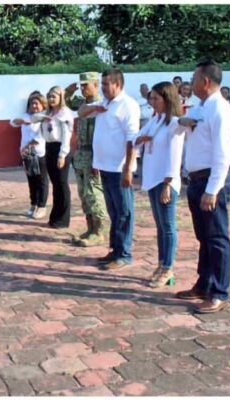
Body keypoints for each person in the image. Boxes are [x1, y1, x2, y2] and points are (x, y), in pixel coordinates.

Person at [175, 60, 230, 314]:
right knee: (204, 237)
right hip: (197, 179)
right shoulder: (202, 107)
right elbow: (184, 121)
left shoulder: (220, 109)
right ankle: (204, 283)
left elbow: (223, 153)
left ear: (206, 81)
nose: (191, 82)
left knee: (217, 238)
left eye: (195, 77)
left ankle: (219, 292)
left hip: (211, 179)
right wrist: (185, 121)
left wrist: (213, 189)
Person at [78, 68, 140, 270]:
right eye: (102, 84)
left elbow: (132, 140)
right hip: (104, 166)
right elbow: (80, 112)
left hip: (119, 168)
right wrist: (94, 109)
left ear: (118, 84)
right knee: (114, 212)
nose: (103, 88)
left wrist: (128, 169)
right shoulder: (105, 103)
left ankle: (124, 254)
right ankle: (114, 250)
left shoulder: (127, 105)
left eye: (106, 85)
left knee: (124, 212)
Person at [133, 82, 188, 288]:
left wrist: (168, 182)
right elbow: (135, 139)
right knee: (160, 226)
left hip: (166, 181)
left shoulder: (173, 123)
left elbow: (175, 156)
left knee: (168, 226)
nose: (152, 102)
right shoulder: (155, 120)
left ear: (167, 99)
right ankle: (161, 264)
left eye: (156, 98)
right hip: (153, 178)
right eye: (151, 98)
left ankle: (168, 266)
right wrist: (141, 138)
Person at [64, 72, 107, 246]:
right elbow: (65, 103)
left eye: (86, 85)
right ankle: (90, 228)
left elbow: (103, 136)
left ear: (96, 85)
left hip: (93, 155)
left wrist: (98, 159)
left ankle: (99, 232)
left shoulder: (101, 106)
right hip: (81, 154)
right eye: (81, 85)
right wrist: (68, 91)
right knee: (83, 193)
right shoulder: (83, 103)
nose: (82, 88)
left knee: (94, 193)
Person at [39, 86, 75, 229]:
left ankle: (63, 219)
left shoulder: (64, 113)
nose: (51, 99)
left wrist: (62, 155)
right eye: (49, 96)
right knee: (55, 184)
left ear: (61, 97)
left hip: (60, 148)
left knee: (61, 184)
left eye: (54, 96)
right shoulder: (49, 113)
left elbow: (67, 136)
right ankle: (55, 216)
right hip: (49, 147)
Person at [10, 92, 48, 219]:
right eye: (32, 103)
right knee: (31, 180)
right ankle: (33, 204)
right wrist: (19, 120)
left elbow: (41, 136)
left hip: (38, 153)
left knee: (41, 180)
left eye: (37, 103)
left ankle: (42, 207)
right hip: (26, 154)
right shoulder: (26, 116)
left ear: (43, 105)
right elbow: (12, 123)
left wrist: (28, 146)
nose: (34, 106)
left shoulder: (44, 118)